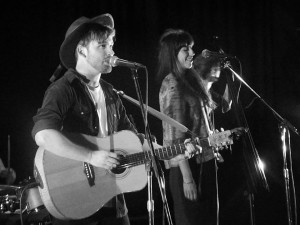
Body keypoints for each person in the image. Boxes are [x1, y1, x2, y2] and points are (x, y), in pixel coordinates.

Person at [32, 14, 195, 225]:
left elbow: (136, 139)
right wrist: (90, 156)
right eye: (102, 45)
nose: (111, 51)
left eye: (111, 44)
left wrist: (174, 152)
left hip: (112, 199)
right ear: (81, 50)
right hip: (75, 199)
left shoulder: (111, 93)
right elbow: (43, 135)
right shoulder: (63, 90)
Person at [157, 29, 231, 225]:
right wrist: (187, 179)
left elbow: (199, 124)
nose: (192, 53)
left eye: (191, 48)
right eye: (185, 49)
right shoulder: (172, 83)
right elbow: (176, 136)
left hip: (203, 163)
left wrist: (212, 143)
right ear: (173, 54)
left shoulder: (190, 79)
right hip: (187, 168)